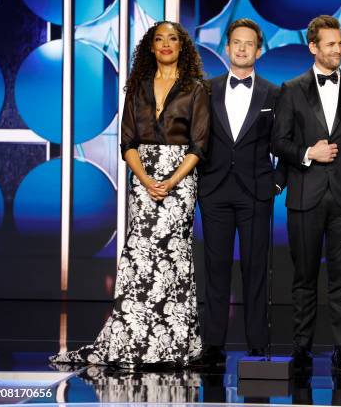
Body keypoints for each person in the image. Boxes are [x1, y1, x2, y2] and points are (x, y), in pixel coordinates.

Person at [50, 21, 209, 368]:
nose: (166, 44)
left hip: (180, 180)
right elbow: (128, 143)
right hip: (143, 177)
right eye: (159, 39)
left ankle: (171, 345)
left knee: (171, 258)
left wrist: (170, 180)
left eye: (172, 39)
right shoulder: (136, 88)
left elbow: (198, 145)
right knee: (139, 257)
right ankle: (132, 342)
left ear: (182, 46)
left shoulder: (196, 89)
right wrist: (146, 178)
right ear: (150, 48)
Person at [272, 15, 341, 371]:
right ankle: (301, 349)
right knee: (304, 277)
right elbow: (278, 141)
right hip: (304, 196)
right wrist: (307, 154)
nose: (338, 50)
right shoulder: (292, 88)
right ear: (313, 47)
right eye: (331, 44)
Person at [192, 18, 286, 367]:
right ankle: (213, 346)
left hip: (256, 193)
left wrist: (277, 182)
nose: (243, 48)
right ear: (227, 48)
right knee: (215, 268)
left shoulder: (274, 93)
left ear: (259, 50)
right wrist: (199, 182)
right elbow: (194, 139)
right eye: (237, 42)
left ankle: (258, 345)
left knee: (256, 270)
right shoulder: (206, 89)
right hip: (215, 191)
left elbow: (287, 143)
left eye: (249, 43)